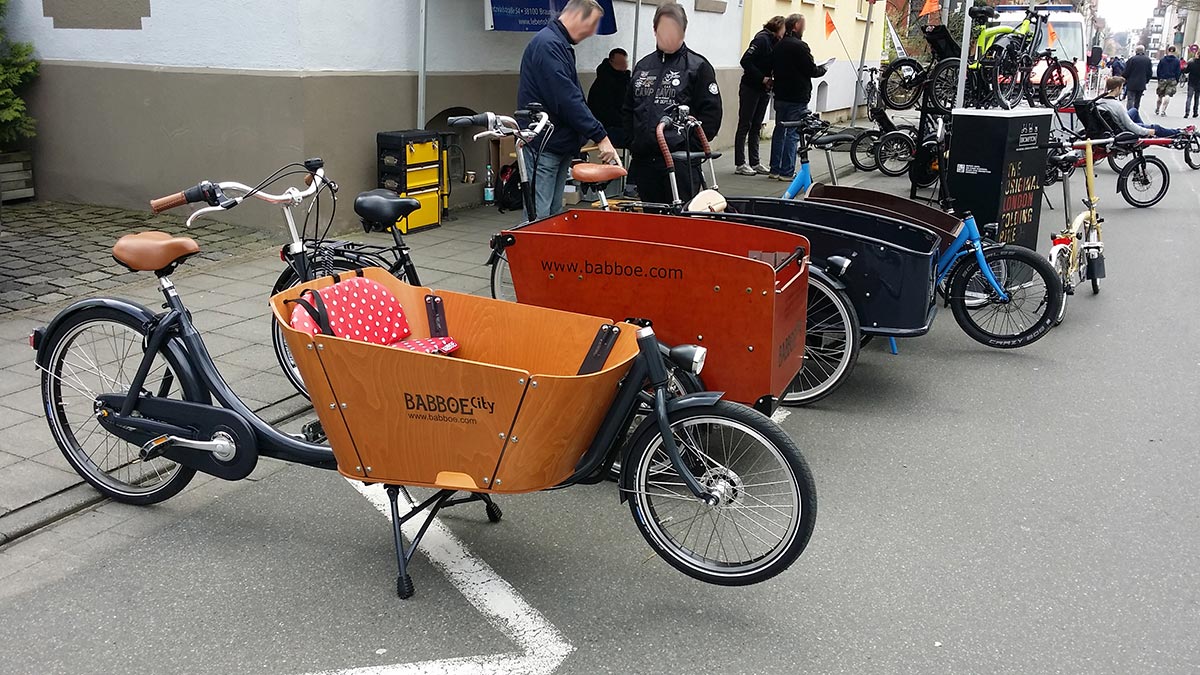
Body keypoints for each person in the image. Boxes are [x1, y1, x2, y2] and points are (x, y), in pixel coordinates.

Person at [517, 0, 618, 219]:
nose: (592, 32)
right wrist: (599, 135)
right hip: (544, 145)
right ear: (576, 16)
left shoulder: (557, 44)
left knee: (552, 215)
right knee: (538, 219)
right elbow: (566, 99)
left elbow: (571, 97)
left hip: (556, 143)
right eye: (591, 25)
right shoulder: (548, 45)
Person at [622, 2, 722, 205]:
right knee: (651, 218)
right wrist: (633, 142)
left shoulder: (697, 67)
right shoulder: (643, 66)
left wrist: (687, 147)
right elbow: (628, 109)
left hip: (680, 164)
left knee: (681, 218)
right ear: (654, 30)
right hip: (644, 163)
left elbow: (711, 115)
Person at [768, 14, 827, 180]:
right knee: (793, 133)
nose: (805, 28)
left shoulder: (778, 45)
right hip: (797, 96)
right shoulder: (800, 46)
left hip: (780, 95)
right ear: (796, 26)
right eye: (803, 25)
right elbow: (811, 70)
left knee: (780, 131)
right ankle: (787, 172)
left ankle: (774, 169)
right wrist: (823, 69)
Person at [734, 15, 786, 176]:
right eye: (784, 29)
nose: (785, 33)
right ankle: (740, 163)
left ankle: (755, 162)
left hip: (764, 89)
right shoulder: (762, 39)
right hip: (751, 87)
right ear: (778, 27)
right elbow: (745, 60)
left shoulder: (775, 42)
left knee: (757, 125)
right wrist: (761, 78)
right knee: (745, 124)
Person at [1096, 76, 1191, 138]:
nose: (1122, 90)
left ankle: (1143, 131)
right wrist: (1146, 131)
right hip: (1123, 130)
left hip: (1111, 124)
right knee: (1156, 128)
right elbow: (1129, 125)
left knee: (1134, 111)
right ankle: (1179, 132)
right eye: (1121, 87)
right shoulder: (1117, 106)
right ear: (1117, 88)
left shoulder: (1099, 101)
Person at [587, 48, 631, 148]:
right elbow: (605, 110)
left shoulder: (624, 79)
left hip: (615, 125)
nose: (624, 65)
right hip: (608, 128)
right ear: (611, 61)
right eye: (620, 62)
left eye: (625, 61)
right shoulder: (605, 82)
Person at [1123, 45, 1153, 111]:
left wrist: (1124, 79)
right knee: (1138, 100)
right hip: (1141, 83)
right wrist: (1146, 81)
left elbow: (1126, 71)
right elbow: (1149, 72)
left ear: (1136, 51)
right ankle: (1135, 112)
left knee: (1130, 99)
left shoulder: (1132, 59)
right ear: (1143, 51)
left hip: (1131, 82)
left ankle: (1130, 112)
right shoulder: (1148, 60)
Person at [1154, 45, 1182, 115]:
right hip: (1172, 79)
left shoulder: (1163, 60)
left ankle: (1157, 108)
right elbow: (1178, 72)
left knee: (1160, 95)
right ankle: (1163, 111)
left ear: (1168, 50)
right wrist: (1176, 80)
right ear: (1175, 51)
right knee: (1168, 95)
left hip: (1163, 79)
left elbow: (1158, 70)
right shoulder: (1177, 61)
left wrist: (1159, 79)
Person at [1185, 51, 1200, 118]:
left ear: (1197, 55)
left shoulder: (1191, 63)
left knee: (1189, 97)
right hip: (1199, 83)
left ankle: (1187, 113)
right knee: (1197, 98)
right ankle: (1195, 112)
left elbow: (1186, 71)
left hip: (1191, 82)